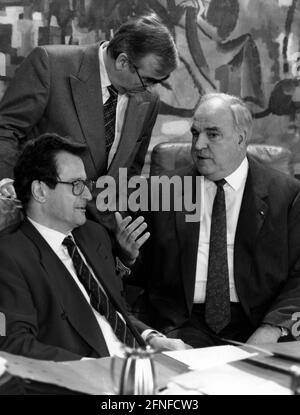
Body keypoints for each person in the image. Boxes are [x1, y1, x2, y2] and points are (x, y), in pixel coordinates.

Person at [0, 133, 187, 361]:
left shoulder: (93, 235)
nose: (88, 194)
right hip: (87, 377)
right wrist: (88, 369)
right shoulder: (10, 257)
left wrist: (152, 338)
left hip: (142, 361)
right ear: (40, 191)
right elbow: (15, 344)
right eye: (77, 185)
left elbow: (115, 310)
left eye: (86, 184)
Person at [137, 92, 300, 347]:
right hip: (184, 324)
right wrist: (126, 256)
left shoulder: (286, 196)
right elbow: (137, 272)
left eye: (212, 134)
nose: (199, 145)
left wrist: (273, 327)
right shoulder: (165, 191)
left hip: (258, 322)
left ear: (241, 138)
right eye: (195, 134)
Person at [0, 13, 178, 223]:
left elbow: (131, 171)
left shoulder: (149, 101)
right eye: (147, 80)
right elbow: (5, 130)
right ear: (122, 62)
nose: (149, 89)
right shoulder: (50, 65)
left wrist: (120, 223)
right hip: (40, 218)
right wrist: (9, 187)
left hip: (101, 232)